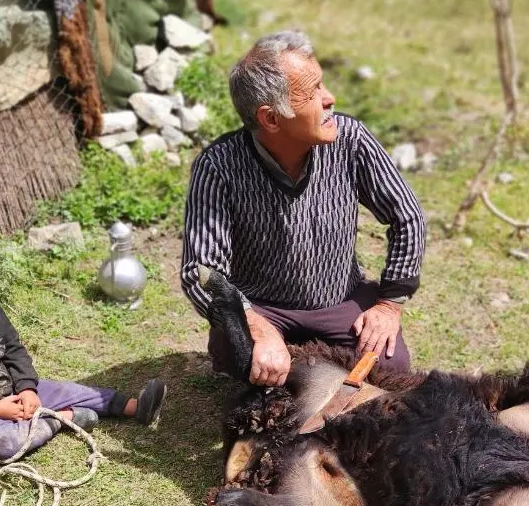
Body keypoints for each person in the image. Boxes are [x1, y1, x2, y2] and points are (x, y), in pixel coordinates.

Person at [180, 30, 427, 387]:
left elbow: (408, 217)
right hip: (264, 308)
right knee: (246, 362)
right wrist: (256, 327)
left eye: (322, 84)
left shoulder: (352, 140)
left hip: (341, 301)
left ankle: (305, 367)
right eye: (312, 92)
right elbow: (201, 271)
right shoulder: (218, 166)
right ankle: (294, 364)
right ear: (271, 119)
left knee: (390, 367)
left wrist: (389, 306)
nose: (330, 98)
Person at [0, 248, 166, 461]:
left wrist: (27, 388)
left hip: (16, 392)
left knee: (67, 390)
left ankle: (133, 407)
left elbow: (15, 351)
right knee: (4, 443)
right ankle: (65, 419)